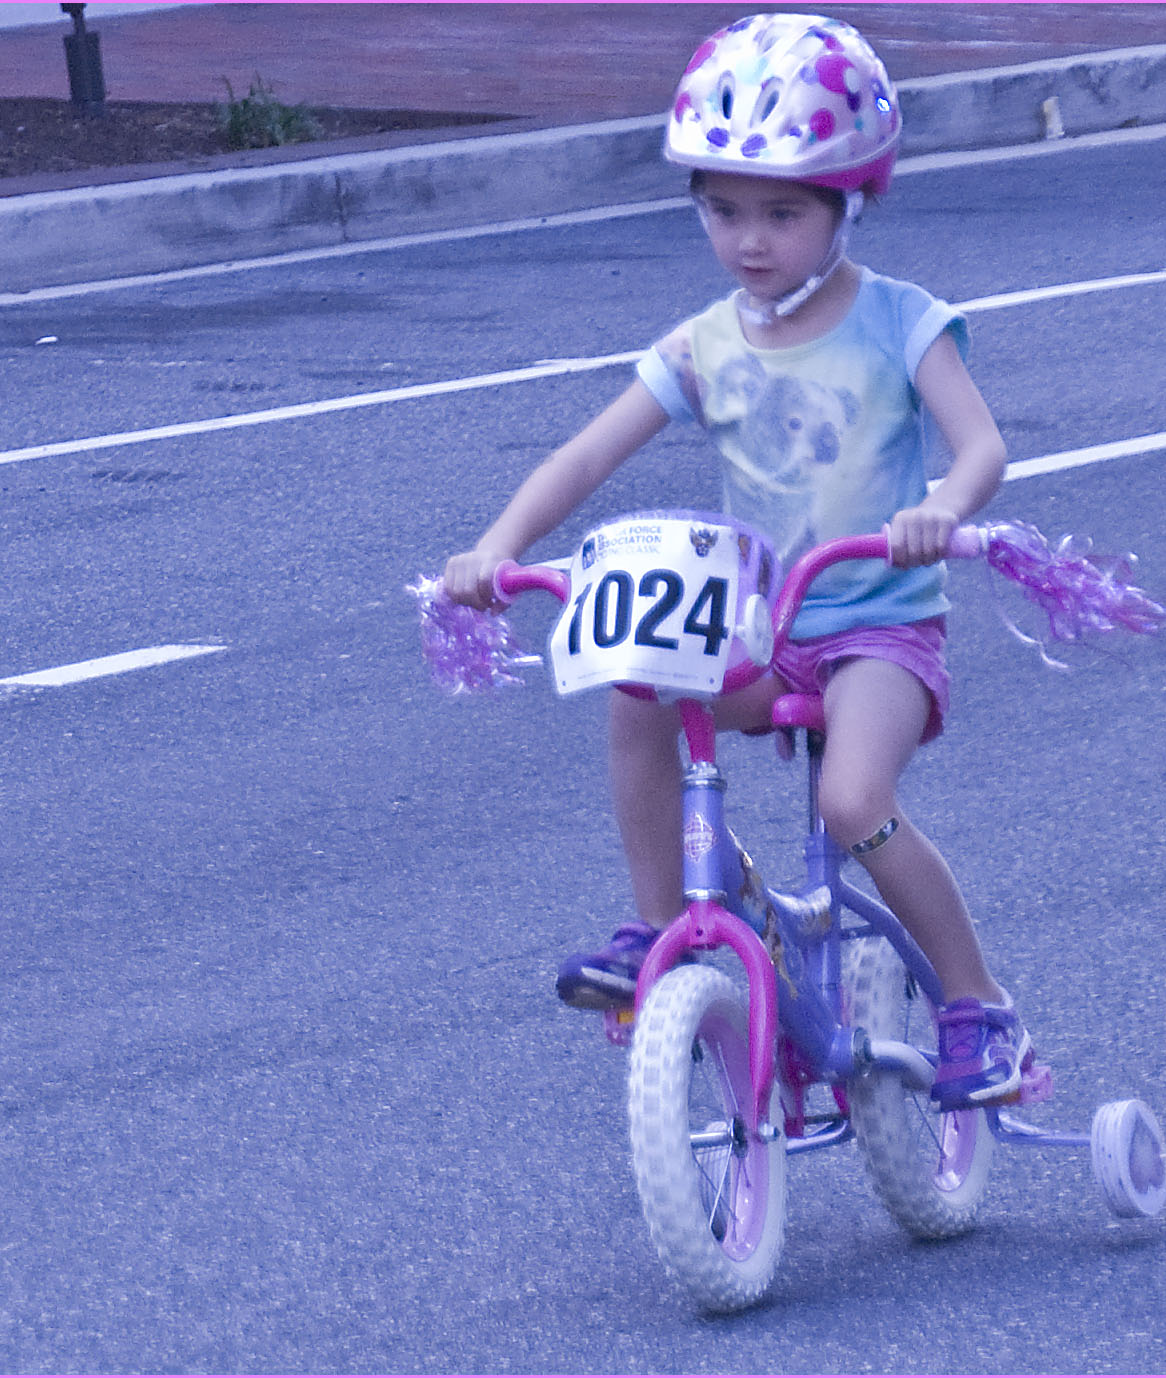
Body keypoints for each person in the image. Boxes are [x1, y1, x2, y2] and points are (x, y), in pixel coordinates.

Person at [442, 12, 1028, 1108]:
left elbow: (980, 443)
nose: (749, 241)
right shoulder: (705, 344)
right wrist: (499, 545)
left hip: (878, 629)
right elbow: (583, 456)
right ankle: (662, 926)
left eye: (781, 213)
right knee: (638, 689)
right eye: (722, 211)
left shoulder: (902, 323)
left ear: (846, 201)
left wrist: (941, 508)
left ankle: (974, 1004)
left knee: (854, 800)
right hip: (767, 632)